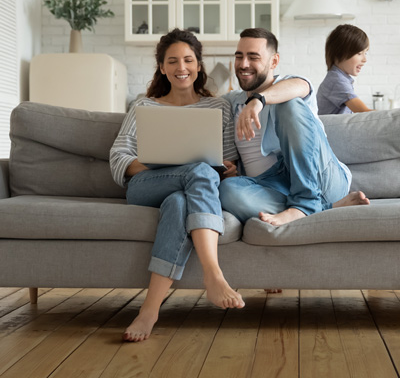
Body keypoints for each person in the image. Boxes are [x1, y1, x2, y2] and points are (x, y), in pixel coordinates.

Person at [109, 28, 244, 342]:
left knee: (179, 203)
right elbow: (118, 156)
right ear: (162, 67)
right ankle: (213, 274)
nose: (181, 67)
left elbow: (227, 159)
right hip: (146, 185)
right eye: (172, 61)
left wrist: (230, 167)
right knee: (197, 170)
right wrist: (162, 162)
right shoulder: (145, 108)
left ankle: (150, 310)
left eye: (188, 60)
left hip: (189, 191)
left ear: (198, 65)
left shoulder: (218, 108)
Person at [219, 27, 369, 227]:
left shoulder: (290, 84)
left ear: (274, 61)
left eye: (253, 57)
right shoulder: (231, 101)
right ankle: (325, 208)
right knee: (227, 190)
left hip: (321, 177)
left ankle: (305, 203)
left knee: (288, 102)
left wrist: (259, 100)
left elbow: (299, 87)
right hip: (271, 185)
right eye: (239, 56)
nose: (244, 64)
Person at [317, 24, 373, 115]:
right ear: (339, 53)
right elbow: (365, 113)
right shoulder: (337, 81)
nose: (364, 59)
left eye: (365, 53)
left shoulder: (339, 78)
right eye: (359, 53)